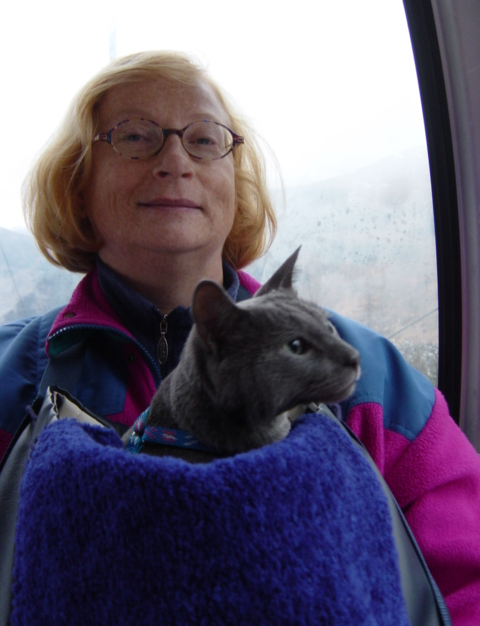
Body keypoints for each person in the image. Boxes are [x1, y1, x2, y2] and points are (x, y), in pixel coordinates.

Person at [0, 51, 479, 624]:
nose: (175, 160)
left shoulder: (378, 384)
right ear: (77, 184)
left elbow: (467, 586)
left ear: (236, 182)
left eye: (205, 140)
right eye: (134, 136)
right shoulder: (12, 379)